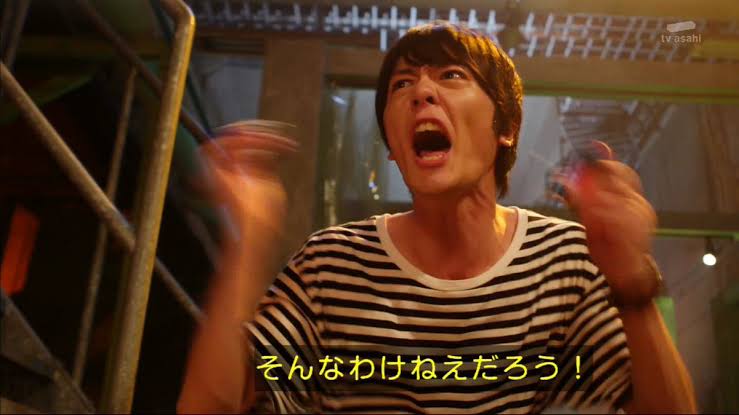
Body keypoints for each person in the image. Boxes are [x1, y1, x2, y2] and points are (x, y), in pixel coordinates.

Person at [177, 22, 696, 414]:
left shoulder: (567, 261)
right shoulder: (330, 266)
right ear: (393, 148)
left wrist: (632, 282)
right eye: (401, 85)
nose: (421, 92)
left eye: (452, 75)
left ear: (506, 127)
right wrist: (247, 240)